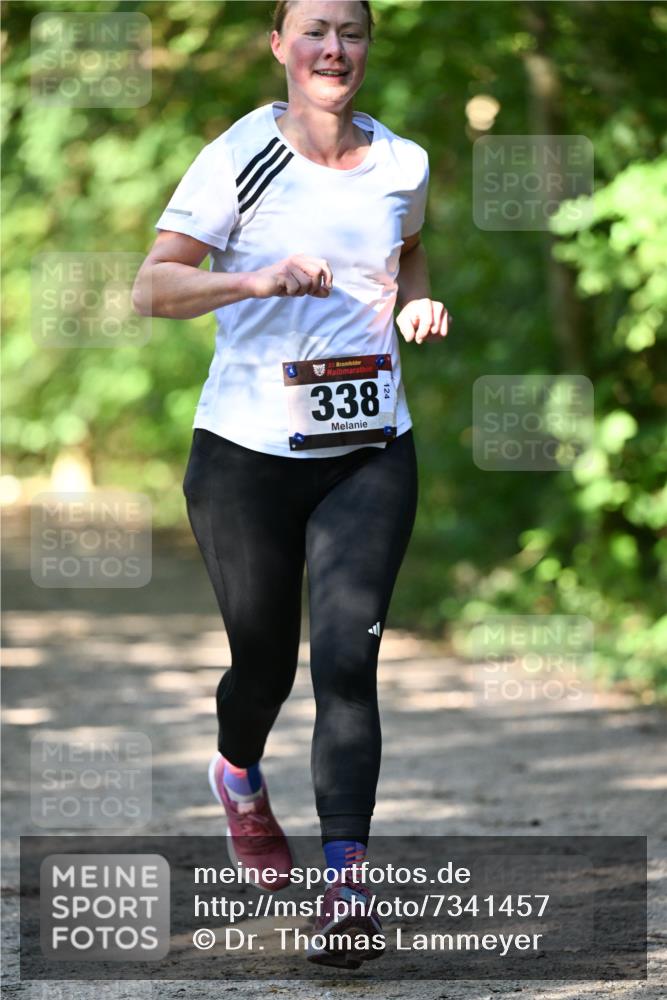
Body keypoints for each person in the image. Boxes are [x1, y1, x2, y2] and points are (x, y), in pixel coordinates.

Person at [132, 0, 450, 970]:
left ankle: (346, 890)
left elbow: (404, 250)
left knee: (347, 663)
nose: (333, 49)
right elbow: (153, 286)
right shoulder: (239, 156)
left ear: (367, 47)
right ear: (279, 46)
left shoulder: (404, 163)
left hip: (368, 450)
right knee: (264, 666)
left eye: (350, 31)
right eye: (313, 30)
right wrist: (255, 280)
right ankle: (237, 775)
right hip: (244, 457)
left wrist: (421, 299)